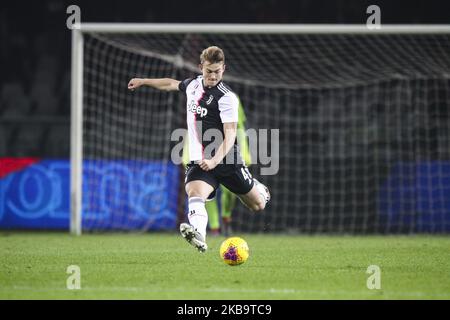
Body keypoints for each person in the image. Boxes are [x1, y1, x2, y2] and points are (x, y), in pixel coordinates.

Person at [128, 46, 270, 253]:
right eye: (208, 71)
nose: (213, 76)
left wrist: (214, 160)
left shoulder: (227, 97)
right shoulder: (193, 85)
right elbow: (170, 83)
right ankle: (199, 236)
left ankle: (259, 187)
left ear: (224, 69)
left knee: (257, 205)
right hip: (200, 160)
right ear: (200, 67)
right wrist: (144, 81)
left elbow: (231, 134)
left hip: (227, 161)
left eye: (217, 71)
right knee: (194, 193)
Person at [181, 97, 252, 237]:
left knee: (230, 192)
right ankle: (214, 227)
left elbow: (239, 127)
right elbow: (193, 128)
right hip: (202, 153)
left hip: (226, 154)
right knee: (205, 193)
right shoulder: (195, 95)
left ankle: (226, 217)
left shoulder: (230, 98)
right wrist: (186, 155)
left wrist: (244, 153)